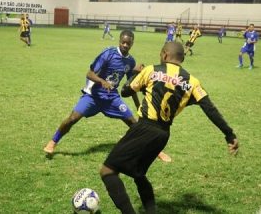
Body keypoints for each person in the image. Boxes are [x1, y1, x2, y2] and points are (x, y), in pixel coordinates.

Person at [100, 41, 239, 214]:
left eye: (161, 54)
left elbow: (126, 91)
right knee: (138, 174)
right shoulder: (193, 82)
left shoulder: (151, 70)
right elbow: (210, 109)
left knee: (107, 171)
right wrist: (229, 134)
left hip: (144, 128)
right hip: (163, 134)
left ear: (165, 54)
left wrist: (135, 75)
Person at [43, 30, 171, 162]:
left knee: (134, 124)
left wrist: (138, 104)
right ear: (119, 41)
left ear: (132, 43)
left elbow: (131, 85)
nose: (125, 45)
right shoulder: (108, 54)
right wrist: (102, 81)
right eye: (123, 42)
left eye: (128, 43)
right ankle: (53, 142)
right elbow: (89, 73)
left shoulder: (131, 61)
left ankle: (157, 151)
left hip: (112, 99)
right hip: (93, 97)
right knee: (72, 118)